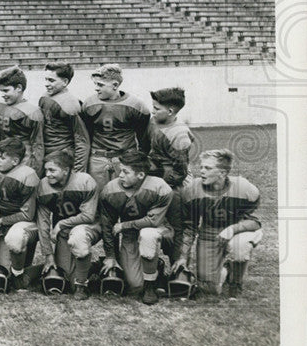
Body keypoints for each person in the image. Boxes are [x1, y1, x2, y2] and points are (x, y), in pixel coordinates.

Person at [174, 149, 262, 300]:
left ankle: (235, 284)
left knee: (239, 247)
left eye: (208, 168)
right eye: (201, 167)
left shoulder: (245, 188)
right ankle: (227, 268)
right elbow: (190, 227)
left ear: (222, 173)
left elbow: (255, 222)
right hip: (209, 232)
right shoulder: (192, 190)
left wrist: (232, 229)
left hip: (239, 230)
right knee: (209, 289)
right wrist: (183, 256)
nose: (202, 171)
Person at [98, 150, 173, 304]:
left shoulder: (159, 187)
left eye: (126, 172)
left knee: (148, 234)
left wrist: (125, 225)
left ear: (140, 175)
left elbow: (153, 221)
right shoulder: (110, 190)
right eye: (120, 170)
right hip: (130, 235)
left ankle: (151, 282)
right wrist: (111, 256)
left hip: (159, 231)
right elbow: (107, 225)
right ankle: (155, 265)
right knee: (135, 286)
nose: (120, 175)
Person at [35, 149, 100, 300]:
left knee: (79, 237)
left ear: (65, 170)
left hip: (88, 228)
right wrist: (48, 255)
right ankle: (95, 267)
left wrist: (61, 224)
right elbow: (43, 223)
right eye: (46, 170)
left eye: (52, 170)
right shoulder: (44, 186)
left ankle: (82, 285)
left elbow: (88, 216)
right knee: (66, 278)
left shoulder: (84, 180)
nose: (47, 174)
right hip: (64, 234)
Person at [81, 63, 151, 191]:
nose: (96, 88)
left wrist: (137, 160)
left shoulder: (136, 105)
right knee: (98, 196)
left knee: (125, 195)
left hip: (124, 157)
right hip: (98, 158)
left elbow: (144, 139)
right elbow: (86, 136)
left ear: (115, 85)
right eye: (95, 84)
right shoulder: (89, 104)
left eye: (100, 85)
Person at [0, 138, 41, 289]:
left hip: (28, 224)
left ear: (15, 161)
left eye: (2, 158)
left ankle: (23, 274)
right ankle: (21, 272)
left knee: (15, 242)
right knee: (4, 272)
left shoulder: (27, 175)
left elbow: (28, 215)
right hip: (8, 222)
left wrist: (3, 221)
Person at [147, 86, 195, 261]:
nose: (152, 111)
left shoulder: (179, 133)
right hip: (158, 179)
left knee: (177, 227)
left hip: (174, 186)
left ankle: (178, 271)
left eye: (156, 109)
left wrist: (160, 186)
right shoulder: (155, 123)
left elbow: (179, 171)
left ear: (170, 111)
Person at [0, 66, 45, 174]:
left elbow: (37, 144)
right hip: (4, 156)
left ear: (19, 88)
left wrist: (36, 170)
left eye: (6, 90)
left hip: (23, 157)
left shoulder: (31, 112)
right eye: (1, 91)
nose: (3, 95)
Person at [39, 62, 89, 173]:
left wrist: (78, 171)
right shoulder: (44, 96)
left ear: (65, 82)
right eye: (46, 79)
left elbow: (82, 140)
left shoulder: (70, 104)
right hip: (46, 154)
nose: (46, 84)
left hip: (62, 157)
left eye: (51, 80)